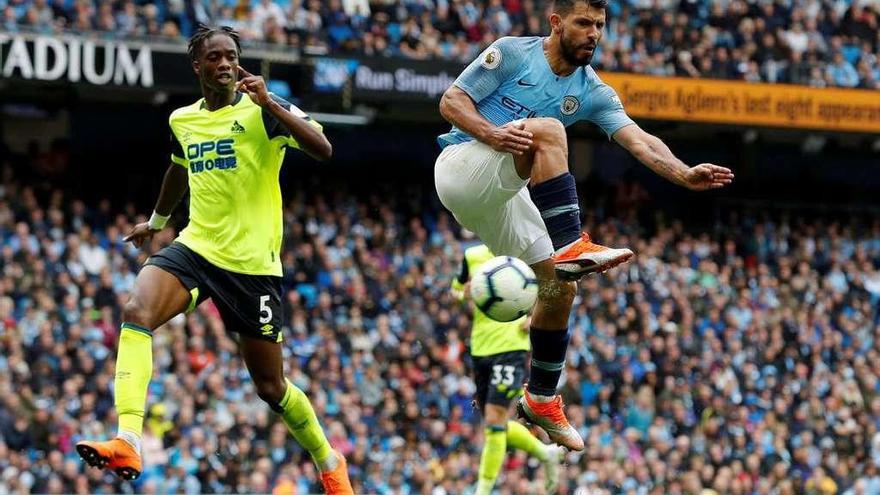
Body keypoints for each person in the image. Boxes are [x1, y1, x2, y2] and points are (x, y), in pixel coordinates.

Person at [434, 0, 734, 451]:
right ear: (556, 23)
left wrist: (683, 172)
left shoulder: (591, 89)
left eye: (600, 25)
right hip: (461, 166)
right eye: (584, 23)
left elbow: (640, 139)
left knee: (559, 288)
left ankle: (541, 398)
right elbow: (451, 100)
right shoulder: (513, 53)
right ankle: (571, 243)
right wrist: (491, 133)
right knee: (551, 131)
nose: (594, 33)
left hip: (501, 194)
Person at [75, 24, 354, 494]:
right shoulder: (183, 120)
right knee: (135, 311)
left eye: (231, 56)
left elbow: (324, 149)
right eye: (214, 57)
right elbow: (178, 168)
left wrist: (271, 105)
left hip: (252, 268)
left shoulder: (264, 110)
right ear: (198, 66)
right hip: (197, 247)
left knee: (271, 388)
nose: (224, 64)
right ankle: (127, 438)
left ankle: (329, 461)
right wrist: (158, 220)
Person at [452, 243, 563, 495]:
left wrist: (533, 314)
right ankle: (545, 453)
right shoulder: (471, 256)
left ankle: (483, 489)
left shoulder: (523, 252)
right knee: (495, 424)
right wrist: (464, 295)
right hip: (480, 348)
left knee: (493, 419)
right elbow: (454, 292)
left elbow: (550, 289)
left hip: (512, 347)